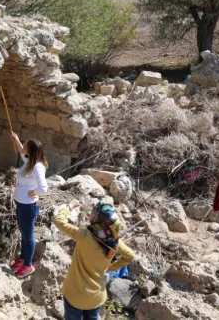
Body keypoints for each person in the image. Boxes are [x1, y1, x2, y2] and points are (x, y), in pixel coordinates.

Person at [54, 199, 136, 320]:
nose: (91, 213)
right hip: (96, 296)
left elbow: (58, 221)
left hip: (75, 295)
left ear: (99, 222)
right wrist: (110, 268)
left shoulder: (84, 235)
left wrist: (70, 206)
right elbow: (130, 256)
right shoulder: (114, 241)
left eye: (95, 213)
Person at [8, 133, 48, 278]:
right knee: (24, 234)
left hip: (27, 206)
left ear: (30, 150)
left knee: (28, 236)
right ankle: (23, 258)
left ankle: (28, 265)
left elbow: (43, 188)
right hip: (21, 204)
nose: (23, 147)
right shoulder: (29, 161)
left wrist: (34, 192)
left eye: (25, 145)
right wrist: (17, 139)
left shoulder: (37, 167)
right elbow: (21, 151)